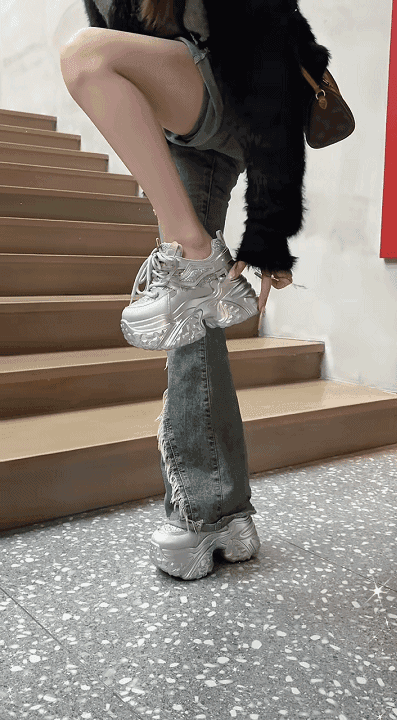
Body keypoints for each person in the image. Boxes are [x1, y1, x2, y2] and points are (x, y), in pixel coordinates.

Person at [59, 0, 330, 580]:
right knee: (189, 310)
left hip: (238, 97)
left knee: (85, 55)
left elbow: (272, 68)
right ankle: (220, 515)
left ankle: (196, 252)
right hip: (184, 127)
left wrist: (269, 231)